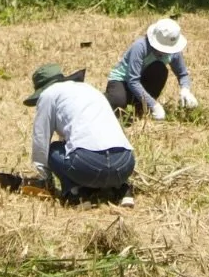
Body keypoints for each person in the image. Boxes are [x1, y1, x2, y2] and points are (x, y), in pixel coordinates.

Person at [26, 63, 136, 205]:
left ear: (41, 88)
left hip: (88, 167)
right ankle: (122, 189)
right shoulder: (88, 89)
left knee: (53, 150)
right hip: (125, 163)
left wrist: (44, 178)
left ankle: (75, 192)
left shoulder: (48, 94)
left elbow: (41, 140)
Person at [105, 17, 198, 119]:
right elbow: (133, 81)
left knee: (159, 69)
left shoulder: (174, 50)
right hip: (123, 81)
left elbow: (182, 74)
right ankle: (106, 99)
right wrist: (154, 105)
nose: (165, 52)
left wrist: (185, 90)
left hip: (143, 81)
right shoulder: (140, 47)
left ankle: (141, 108)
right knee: (117, 101)